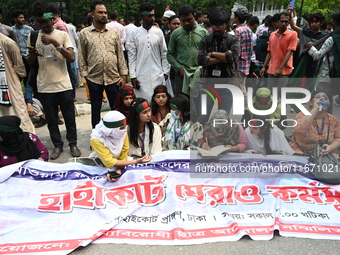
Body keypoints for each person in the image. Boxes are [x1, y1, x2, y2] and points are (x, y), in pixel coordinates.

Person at [27, 1, 81, 160]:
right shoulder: (34, 35)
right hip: (45, 86)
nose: (43, 24)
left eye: (46, 21)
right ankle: (57, 146)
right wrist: (32, 55)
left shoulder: (63, 35)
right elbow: (29, 62)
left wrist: (55, 43)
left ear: (52, 19)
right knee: (51, 120)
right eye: (40, 22)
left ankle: (73, 144)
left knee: (69, 118)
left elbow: (71, 58)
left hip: (63, 84)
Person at [78, 0, 128, 128]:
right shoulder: (85, 33)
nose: (104, 15)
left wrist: (123, 75)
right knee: (95, 110)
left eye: (105, 12)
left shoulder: (113, 33)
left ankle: (118, 134)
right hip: (94, 78)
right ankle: (97, 137)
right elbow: (81, 55)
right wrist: (85, 75)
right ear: (93, 14)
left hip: (113, 78)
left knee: (116, 109)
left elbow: (119, 55)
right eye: (100, 12)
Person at [197, 6, 239, 122]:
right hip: (208, 84)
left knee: (223, 119)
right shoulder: (205, 40)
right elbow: (201, 60)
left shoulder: (233, 39)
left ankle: (221, 140)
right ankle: (200, 139)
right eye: (214, 25)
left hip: (227, 85)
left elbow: (233, 57)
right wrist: (224, 57)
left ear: (226, 24)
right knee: (202, 117)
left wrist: (211, 54)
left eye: (220, 25)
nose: (217, 28)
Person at [126, 2, 170, 102]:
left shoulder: (158, 32)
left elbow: (164, 53)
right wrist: (133, 76)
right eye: (149, 16)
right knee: (143, 105)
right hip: (141, 76)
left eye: (153, 16)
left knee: (159, 104)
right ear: (142, 16)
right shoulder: (134, 33)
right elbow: (131, 56)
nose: (152, 18)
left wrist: (165, 71)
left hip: (157, 74)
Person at [89, 110, 152, 182]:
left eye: (125, 126)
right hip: (99, 165)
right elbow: (109, 162)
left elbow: (123, 153)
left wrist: (118, 170)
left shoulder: (123, 133)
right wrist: (136, 162)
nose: (125, 130)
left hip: (120, 164)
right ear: (111, 130)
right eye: (121, 128)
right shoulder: (96, 139)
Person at [167, 5, 209, 95]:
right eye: (183, 20)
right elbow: (169, 54)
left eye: (189, 20)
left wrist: (202, 68)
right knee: (181, 104)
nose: (186, 23)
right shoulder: (176, 33)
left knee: (199, 104)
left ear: (194, 16)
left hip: (199, 74)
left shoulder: (203, 32)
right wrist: (179, 68)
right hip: (182, 75)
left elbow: (208, 53)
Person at [305, 12, 340, 114]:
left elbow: (317, 55)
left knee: (322, 105)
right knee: (329, 104)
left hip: (326, 78)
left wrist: (310, 47)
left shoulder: (331, 39)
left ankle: (322, 127)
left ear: (333, 24)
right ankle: (330, 125)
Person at [0, 32, 34, 134]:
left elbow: (20, 68)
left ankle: (28, 142)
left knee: (20, 117)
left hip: (11, 85)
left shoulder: (8, 43)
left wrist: (15, 83)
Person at [289, 92, 340, 156]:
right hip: (301, 152)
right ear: (311, 102)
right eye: (318, 97)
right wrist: (315, 108)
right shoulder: (301, 115)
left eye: (326, 98)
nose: (322, 99)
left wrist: (330, 148)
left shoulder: (332, 119)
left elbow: (338, 137)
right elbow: (299, 129)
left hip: (323, 153)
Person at [260, 12, 298, 98]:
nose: (284, 24)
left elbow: (289, 52)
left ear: (288, 22)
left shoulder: (293, 34)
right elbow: (270, 52)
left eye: (286, 22)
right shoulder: (272, 35)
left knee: (281, 94)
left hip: (284, 70)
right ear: (278, 22)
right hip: (272, 69)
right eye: (282, 21)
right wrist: (264, 66)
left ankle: (281, 110)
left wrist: (280, 68)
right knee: (270, 93)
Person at [233, 7, 253, 102]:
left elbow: (237, 50)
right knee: (241, 87)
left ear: (236, 17)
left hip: (239, 64)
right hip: (246, 64)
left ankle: (248, 108)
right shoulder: (248, 30)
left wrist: (233, 62)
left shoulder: (237, 31)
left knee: (240, 89)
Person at [11, 9, 34, 88]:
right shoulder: (11, 30)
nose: (23, 19)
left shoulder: (29, 30)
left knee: (28, 76)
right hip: (16, 57)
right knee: (17, 76)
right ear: (15, 19)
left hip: (27, 56)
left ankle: (28, 96)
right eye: (20, 18)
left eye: (23, 17)